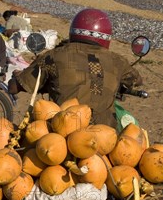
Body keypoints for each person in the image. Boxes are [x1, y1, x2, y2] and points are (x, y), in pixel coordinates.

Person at [8, 9, 142, 127]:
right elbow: (136, 81)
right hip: (104, 136)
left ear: (73, 31)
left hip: (62, 133)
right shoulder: (117, 61)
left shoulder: (53, 56)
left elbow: (14, 88)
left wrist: (16, 77)